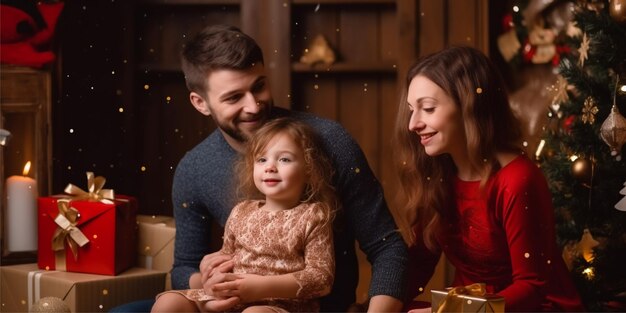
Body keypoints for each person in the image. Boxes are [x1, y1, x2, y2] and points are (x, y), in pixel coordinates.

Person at [163, 24, 407, 313]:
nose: (253, 106)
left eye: (259, 86)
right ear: (200, 103)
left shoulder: (330, 141)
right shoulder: (194, 168)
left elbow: (387, 247)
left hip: (308, 307)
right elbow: (184, 266)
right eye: (233, 98)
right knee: (167, 305)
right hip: (230, 305)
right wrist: (205, 278)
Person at [393, 46, 585, 312]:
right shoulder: (437, 175)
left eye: (427, 108)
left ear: (468, 105)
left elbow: (531, 287)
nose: (412, 124)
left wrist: (450, 311)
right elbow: (418, 265)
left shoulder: (517, 180)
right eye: (411, 109)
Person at [152, 118, 336, 313]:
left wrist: (259, 288)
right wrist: (213, 279)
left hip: (278, 305)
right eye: (262, 159)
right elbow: (227, 257)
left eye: (284, 159)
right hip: (232, 299)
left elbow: (321, 279)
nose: (270, 167)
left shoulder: (313, 216)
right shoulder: (241, 210)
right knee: (168, 304)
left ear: (308, 169)